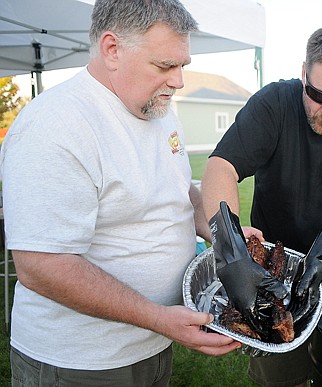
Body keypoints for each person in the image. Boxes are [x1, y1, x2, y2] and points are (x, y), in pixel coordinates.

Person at [0, 1, 240, 385]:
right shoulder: (55, 126)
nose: (178, 81)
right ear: (112, 49)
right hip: (80, 362)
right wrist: (159, 318)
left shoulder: (157, 107)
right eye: (165, 66)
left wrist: (226, 236)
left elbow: (182, 192)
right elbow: (40, 266)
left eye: (182, 66)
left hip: (152, 342)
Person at [201, 26, 322, 387]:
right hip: (273, 273)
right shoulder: (274, 102)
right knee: (279, 374)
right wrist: (230, 244)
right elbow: (221, 167)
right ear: (304, 72)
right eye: (317, 93)